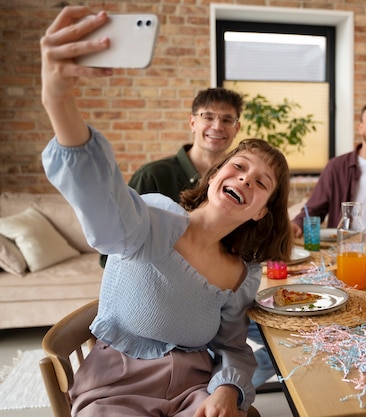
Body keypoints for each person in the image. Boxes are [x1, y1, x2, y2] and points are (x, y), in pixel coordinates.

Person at [40, 7, 293, 417]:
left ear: (262, 212)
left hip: (195, 386)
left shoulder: (242, 274)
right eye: (239, 167)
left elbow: (233, 347)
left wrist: (227, 388)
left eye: (261, 183)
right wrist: (58, 97)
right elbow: (102, 202)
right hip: (116, 387)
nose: (246, 180)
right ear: (213, 176)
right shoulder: (155, 217)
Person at [98, 86, 277, 390]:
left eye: (227, 119)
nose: (217, 126)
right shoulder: (153, 178)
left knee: (273, 335)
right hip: (147, 323)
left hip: (203, 333)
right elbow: (113, 251)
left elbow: (231, 338)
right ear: (193, 122)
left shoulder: (242, 219)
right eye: (208, 117)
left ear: (237, 128)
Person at [291, 98, 366, 235]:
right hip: (342, 245)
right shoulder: (336, 166)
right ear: (360, 127)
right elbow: (314, 209)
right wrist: (297, 223)